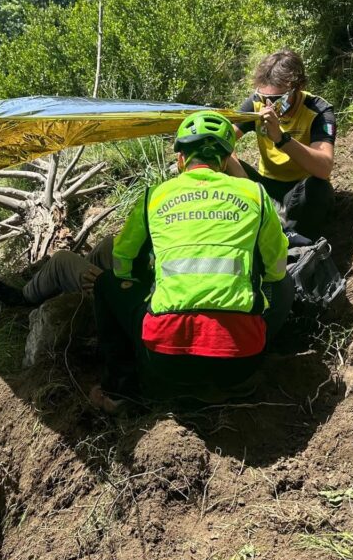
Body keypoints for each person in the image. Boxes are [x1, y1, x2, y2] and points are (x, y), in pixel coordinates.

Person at [90, 110, 293, 411]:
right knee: (285, 284)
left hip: (166, 360)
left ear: (181, 159)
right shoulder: (254, 194)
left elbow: (123, 264)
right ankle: (245, 374)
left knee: (106, 283)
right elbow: (276, 268)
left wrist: (152, 279)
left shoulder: (154, 196)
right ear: (225, 160)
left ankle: (123, 388)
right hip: (239, 360)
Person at [227, 49, 336, 243]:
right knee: (222, 162)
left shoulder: (318, 110)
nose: (269, 105)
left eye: (278, 100)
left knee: (320, 189)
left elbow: (324, 167)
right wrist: (244, 182)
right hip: (265, 186)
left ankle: (294, 243)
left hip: (298, 189)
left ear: (299, 87)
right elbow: (222, 138)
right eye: (263, 97)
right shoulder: (255, 104)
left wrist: (281, 139)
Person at [0, 236, 113, 306]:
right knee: (109, 244)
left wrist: (113, 285)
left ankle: (25, 297)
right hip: (127, 288)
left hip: (122, 302)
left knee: (61, 260)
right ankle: (74, 277)